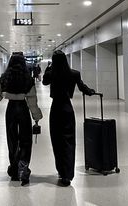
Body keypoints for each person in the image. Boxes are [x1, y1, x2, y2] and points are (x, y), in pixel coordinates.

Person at [42, 50, 95, 186]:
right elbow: (82, 87)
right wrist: (91, 92)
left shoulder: (51, 73)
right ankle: (68, 174)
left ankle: (61, 170)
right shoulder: (74, 73)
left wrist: (49, 68)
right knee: (68, 141)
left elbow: (44, 82)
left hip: (55, 110)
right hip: (67, 109)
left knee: (57, 141)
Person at [0, 52, 43, 186]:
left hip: (11, 110)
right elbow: (32, 100)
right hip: (23, 109)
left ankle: (14, 170)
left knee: (12, 139)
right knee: (26, 139)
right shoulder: (28, 78)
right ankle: (23, 166)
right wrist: (36, 117)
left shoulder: (5, 77)